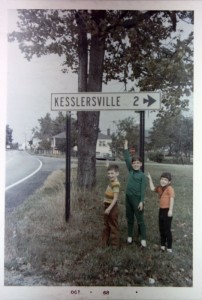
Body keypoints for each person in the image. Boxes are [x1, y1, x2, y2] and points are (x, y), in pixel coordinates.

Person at [123, 139, 147, 248]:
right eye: (134, 163)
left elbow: (143, 190)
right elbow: (127, 158)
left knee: (140, 219)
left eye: (138, 163)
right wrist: (125, 147)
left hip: (137, 199)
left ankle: (143, 238)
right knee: (129, 217)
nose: (136, 165)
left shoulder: (142, 176)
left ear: (141, 164)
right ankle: (129, 235)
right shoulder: (131, 170)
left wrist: (141, 201)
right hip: (128, 198)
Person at [147, 172, 175, 253]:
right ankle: (162, 245)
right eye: (162, 179)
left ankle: (169, 247)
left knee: (167, 229)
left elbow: (172, 199)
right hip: (161, 211)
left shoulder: (170, 189)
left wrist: (170, 210)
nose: (163, 181)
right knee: (161, 228)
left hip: (167, 210)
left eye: (165, 180)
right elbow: (152, 188)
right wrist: (150, 179)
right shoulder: (159, 188)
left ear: (169, 182)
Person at [102, 164, 120, 249]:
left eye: (112, 173)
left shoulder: (116, 184)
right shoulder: (112, 181)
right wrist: (108, 166)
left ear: (117, 174)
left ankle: (115, 245)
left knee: (113, 225)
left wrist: (109, 208)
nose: (110, 175)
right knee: (106, 224)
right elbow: (112, 172)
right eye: (108, 173)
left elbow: (115, 198)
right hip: (107, 205)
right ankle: (104, 243)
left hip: (111, 207)